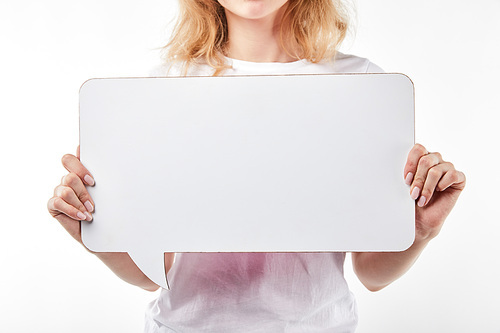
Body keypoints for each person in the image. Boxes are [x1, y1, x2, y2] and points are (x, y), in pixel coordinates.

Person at [47, 0, 466, 331]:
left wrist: (422, 229)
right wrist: (94, 230)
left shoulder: (362, 85)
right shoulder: (167, 85)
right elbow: (154, 275)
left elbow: (371, 273)